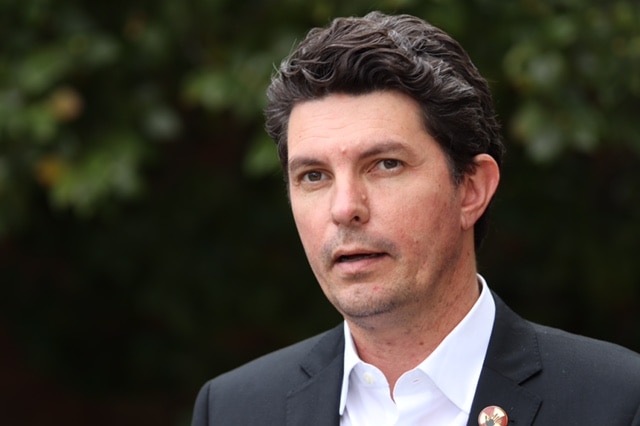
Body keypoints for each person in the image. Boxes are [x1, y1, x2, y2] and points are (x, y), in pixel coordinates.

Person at [191, 11, 640, 425]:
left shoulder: (617, 400)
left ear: (471, 188)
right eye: (314, 175)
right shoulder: (234, 408)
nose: (344, 207)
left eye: (386, 164)